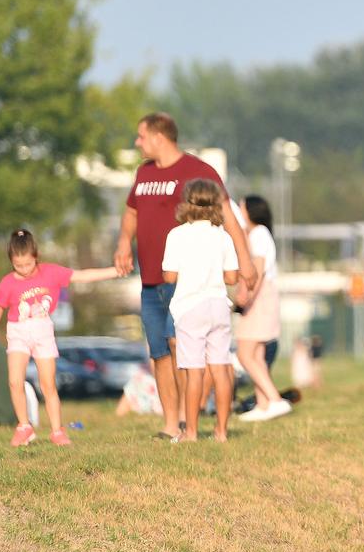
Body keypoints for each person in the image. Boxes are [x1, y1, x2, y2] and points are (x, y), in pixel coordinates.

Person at [114, 113, 254, 441]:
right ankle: (170, 422)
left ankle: (188, 424)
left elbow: (229, 220)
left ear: (159, 137)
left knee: (181, 350)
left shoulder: (199, 171)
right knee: (159, 353)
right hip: (150, 280)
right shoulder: (144, 173)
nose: (137, 143)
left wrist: (245, 261)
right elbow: (131, 212)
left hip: (184, 285)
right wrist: (123, 243)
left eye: (141, 136)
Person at [0, 229, 120, 446]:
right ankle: (24, 426)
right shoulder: (8, 283)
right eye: (18, 265)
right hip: (18, 331)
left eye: (28, 264)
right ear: (12, 261)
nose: (24, 270)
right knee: (15, 381)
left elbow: (82, 276)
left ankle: (57, 431)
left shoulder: (51, 273)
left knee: (48, 384)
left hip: (43, 331)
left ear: (36, 256)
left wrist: (114, 271)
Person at [161, 179, 240, 442]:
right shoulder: (223, 235)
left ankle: (191, 432)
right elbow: (231, 278)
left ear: (187, 202)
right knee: (220, 367)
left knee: (194, 371)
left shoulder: (177, 235)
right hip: (218, 305)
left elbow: (169, 277)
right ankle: (221, 432)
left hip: (190, 306)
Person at [235, 196, 291, 423]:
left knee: (244, 353)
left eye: (241, 207)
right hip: (266, 296)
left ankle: (275, 400)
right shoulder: (260, 234)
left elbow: (257, 271)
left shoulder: (258, 234)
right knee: (257, 354)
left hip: (260, 297)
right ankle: (263, 404)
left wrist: (245, 297)